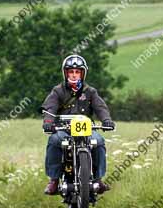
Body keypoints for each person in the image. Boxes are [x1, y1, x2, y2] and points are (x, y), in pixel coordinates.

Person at [42, 54, 115, 196]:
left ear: (83, 73)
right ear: (65, 73)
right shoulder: (58, 91)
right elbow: (49, 108)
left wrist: (106, 120)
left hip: (86, 129)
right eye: (71, 71)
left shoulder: (90, 92)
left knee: (99, 141)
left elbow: (100, 108)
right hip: (64, 129)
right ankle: (54, 180)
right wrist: (48, 122)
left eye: (77, 72)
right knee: (55, 140)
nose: (74, 75)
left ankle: (98, 179)